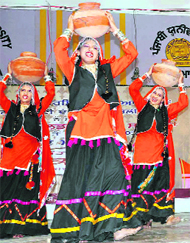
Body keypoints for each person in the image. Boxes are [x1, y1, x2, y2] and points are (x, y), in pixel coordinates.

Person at [50, 12, 142, 242]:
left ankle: (108, 227)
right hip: (80, 134)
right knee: (81, 182)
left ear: (100, 54)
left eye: (94, 46)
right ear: (78, 53)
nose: (90, 48)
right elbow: (59, 50)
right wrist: (70, 27)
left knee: (115, 176)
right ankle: (83, 230)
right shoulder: (73, 72)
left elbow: (132, 54)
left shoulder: (107, 72)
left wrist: (114, 29)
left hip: (105, 134)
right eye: (85, 46)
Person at [129, 64, 188, 227]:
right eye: (154, 92)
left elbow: (183, 103)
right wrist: (146, 75)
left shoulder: (166, 111)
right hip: (142, 156)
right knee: (141, 186)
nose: (156, 96)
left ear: (163, 99)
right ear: (149, 95)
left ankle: (165, 216)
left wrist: (181, 84)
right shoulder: (142, 106)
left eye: (160, 95)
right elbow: (133, 89)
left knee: (159, 185)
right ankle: (141, 217)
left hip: (158, 155)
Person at [0, 64, 55, 238]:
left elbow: (51, 94)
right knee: (5, 190)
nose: (25, 93)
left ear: (33, 95)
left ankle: (19, 228)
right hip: (10, 157)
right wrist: (7, 75)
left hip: (29, 159)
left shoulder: (37, 110)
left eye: (29, 90)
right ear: (18, 93)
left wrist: (46, 76)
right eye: (22, 90)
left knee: (24, 192)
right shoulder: (11, 108)